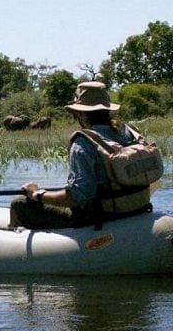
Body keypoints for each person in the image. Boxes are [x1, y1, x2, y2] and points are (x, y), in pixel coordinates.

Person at [10, 81, 153, 229]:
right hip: (138, 210)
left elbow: (78, 197)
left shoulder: (83, 143)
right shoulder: (129, 133)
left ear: (80, 113)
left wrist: (37, 194)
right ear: (107, 110)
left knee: (19, 203)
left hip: (100, 217)